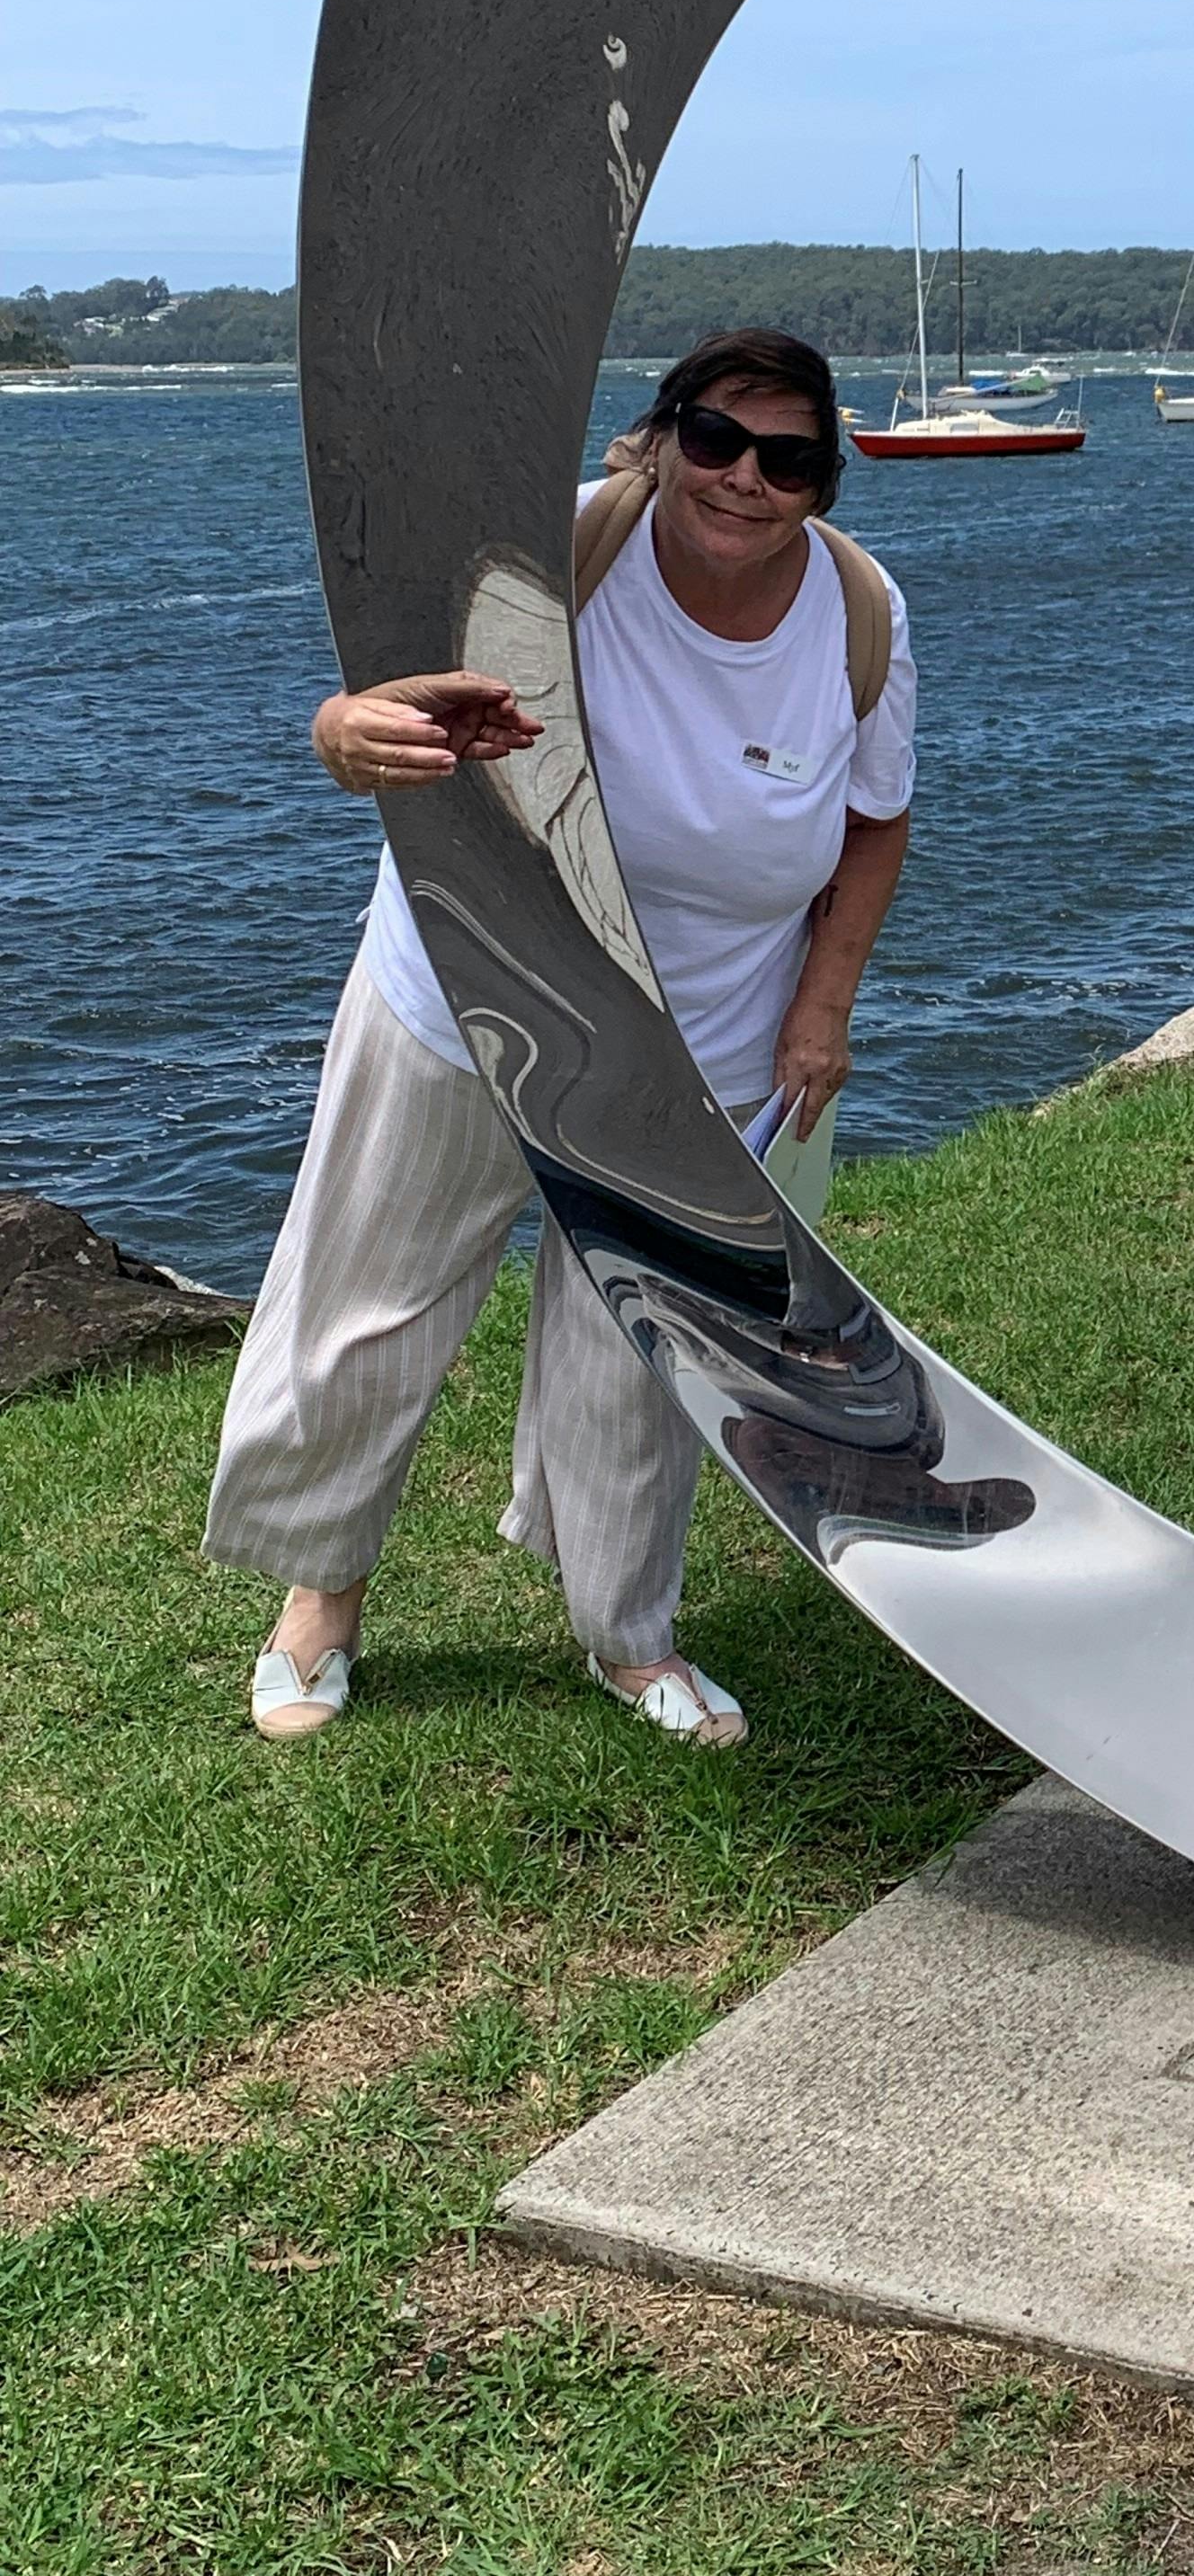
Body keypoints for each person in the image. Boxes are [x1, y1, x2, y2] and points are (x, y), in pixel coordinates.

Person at [206, 328, 914, 1751]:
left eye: (786, 458)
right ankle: (320, 1594)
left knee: (648, 1357)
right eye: (714, 439)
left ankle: (626, 1632)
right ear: (660, 438)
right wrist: (349, 734)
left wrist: (822, 1009)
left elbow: (875, 823)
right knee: (374, 1303)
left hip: (697, 1045)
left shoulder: (859, 616)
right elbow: (369, 704)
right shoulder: (559, 552)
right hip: (471, 990)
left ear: (823, 483)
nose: (744, 480)